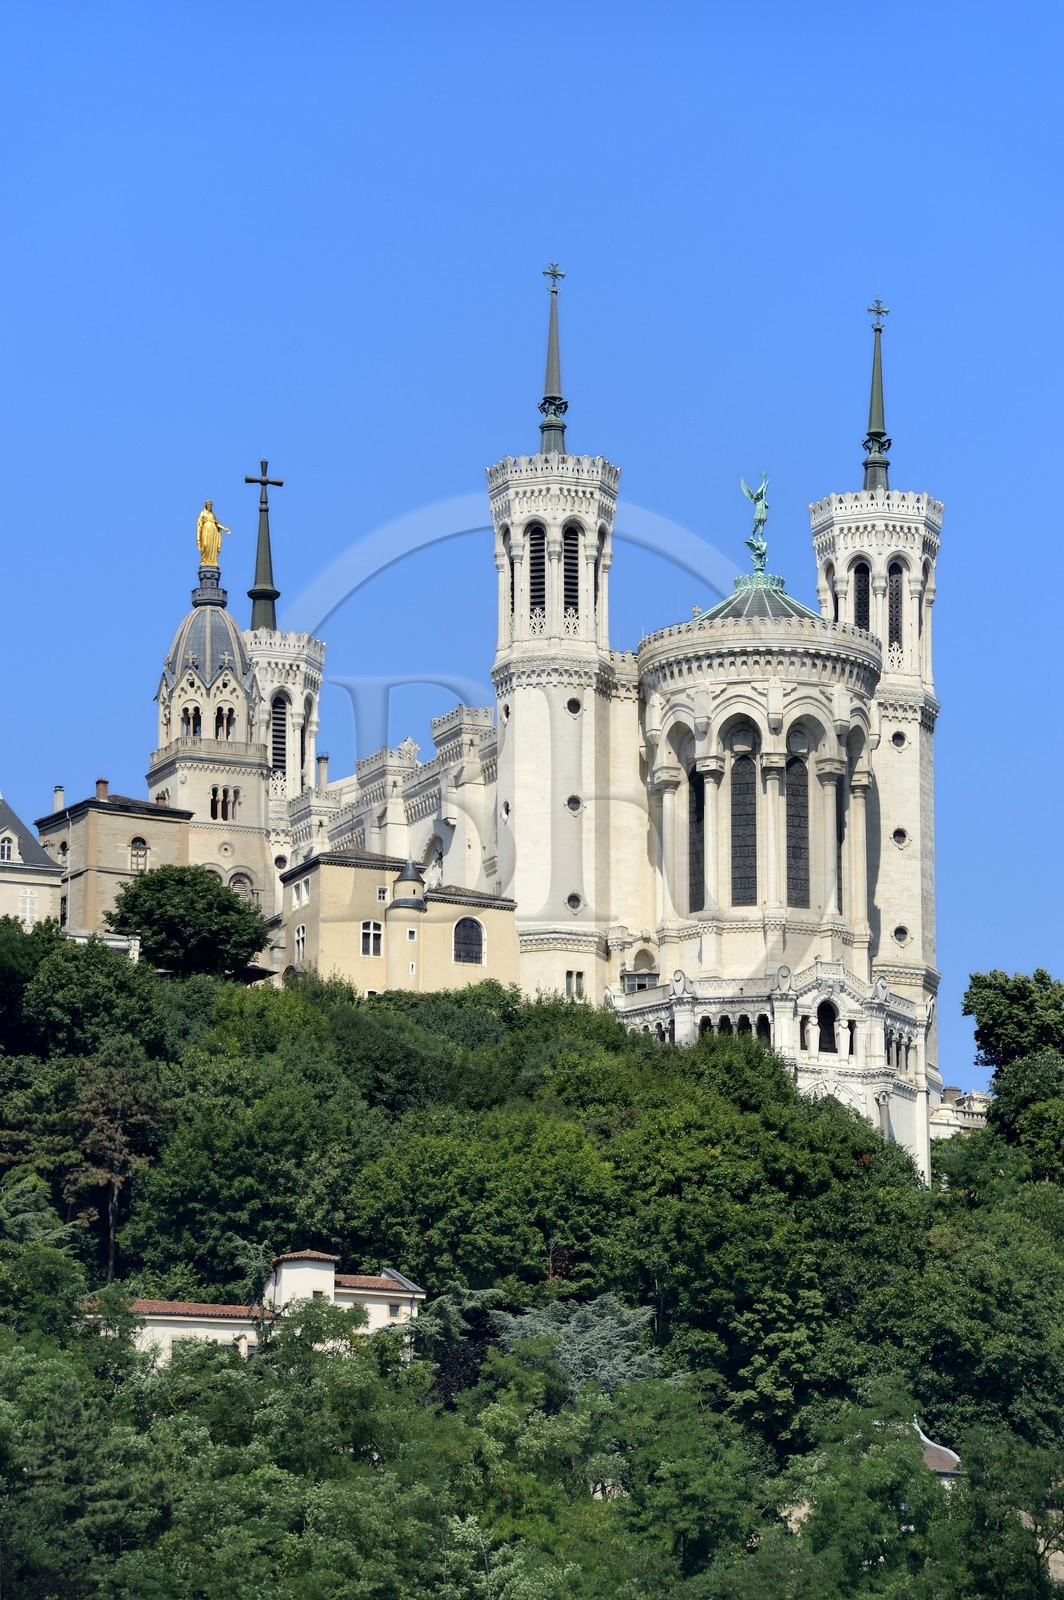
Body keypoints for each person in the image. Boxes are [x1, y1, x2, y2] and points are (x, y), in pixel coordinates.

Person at [196, 499, 230, 566]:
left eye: (211, 505)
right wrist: (198, 538)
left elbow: (217, 523)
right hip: (205, 529)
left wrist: (224, 529)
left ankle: (212, 561)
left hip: (213, 531)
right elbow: (199, 525)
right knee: (205, 544)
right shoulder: (202, 513)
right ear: (206, 505)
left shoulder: (212, 514)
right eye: (208, 505)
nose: (210, 506)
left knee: (212, 546)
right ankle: (204, 561)